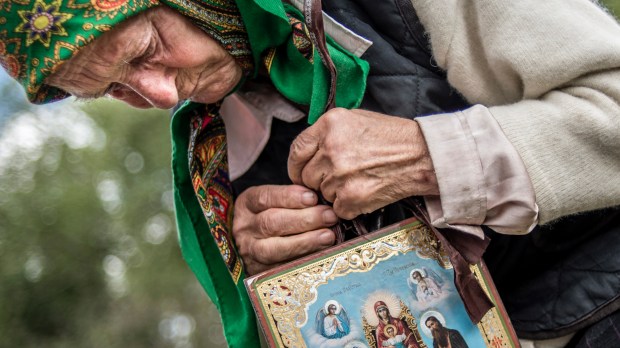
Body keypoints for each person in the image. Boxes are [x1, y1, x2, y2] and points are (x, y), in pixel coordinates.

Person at [2, 0, 620, 347]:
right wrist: (280, 285)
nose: (161, 97)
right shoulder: (220, 155)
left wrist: (429, 155)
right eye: (114, 89)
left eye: (144, 51)